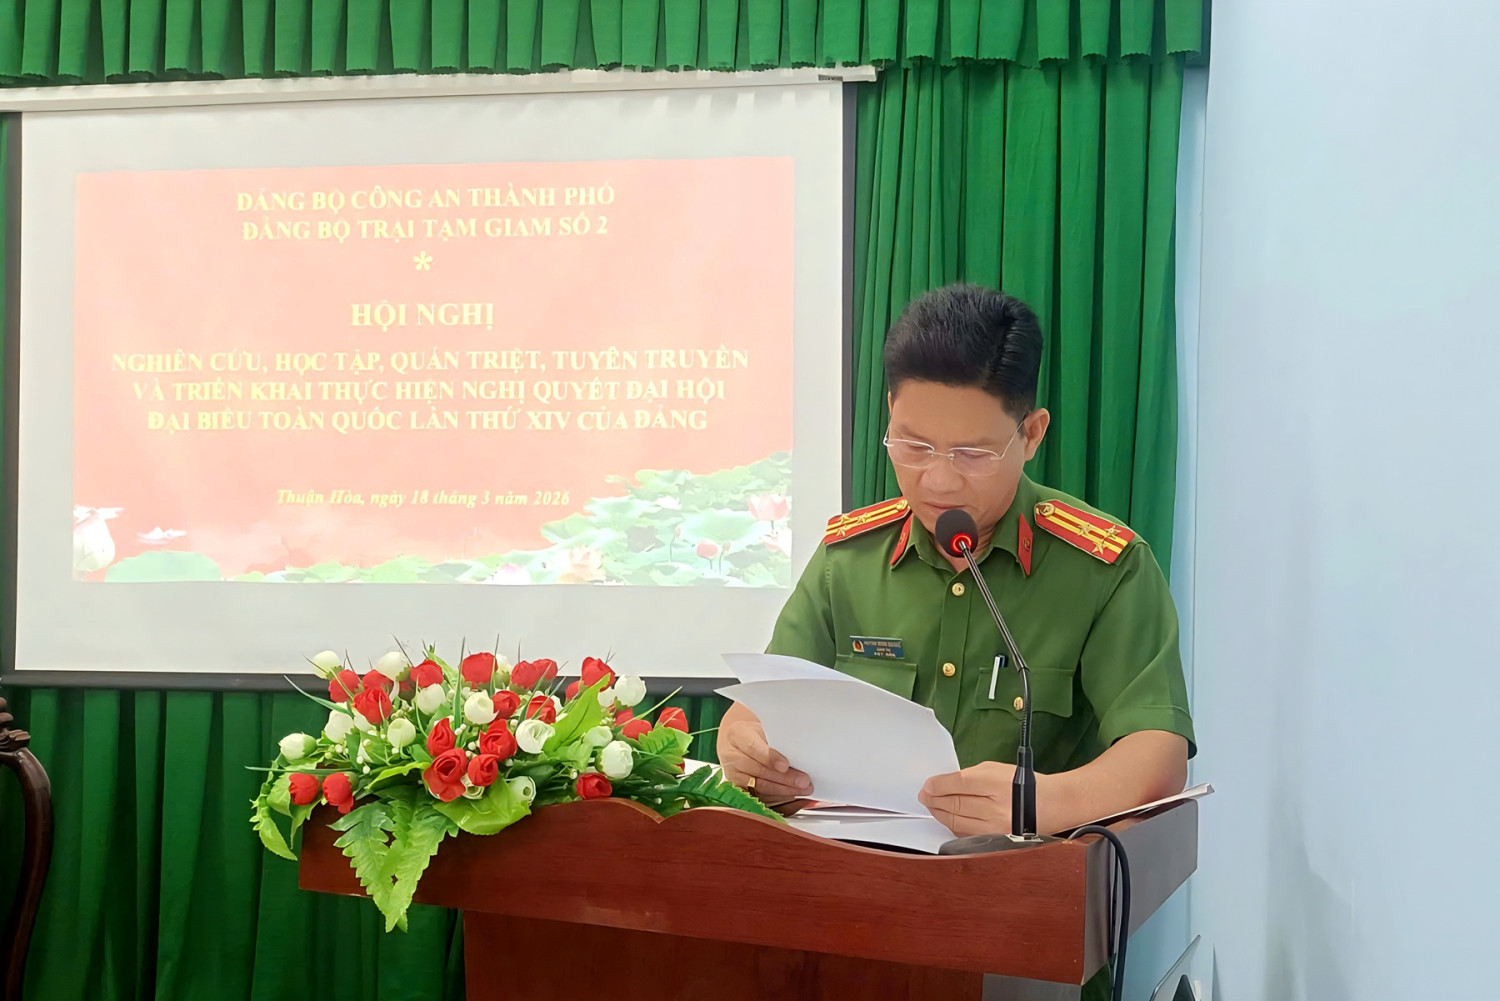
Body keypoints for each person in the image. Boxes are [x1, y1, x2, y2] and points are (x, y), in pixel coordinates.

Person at [716, 283, 1194, 839]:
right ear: (889, 414)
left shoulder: (1105, 568)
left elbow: (1157, 751)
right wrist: (747, 748)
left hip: (1027, 872)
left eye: (972, 453)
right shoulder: (847, 559)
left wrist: (1046, 800)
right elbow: (766, 705)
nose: (939, 481)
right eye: (913, 447)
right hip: (856, 868)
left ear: (1032, 434)